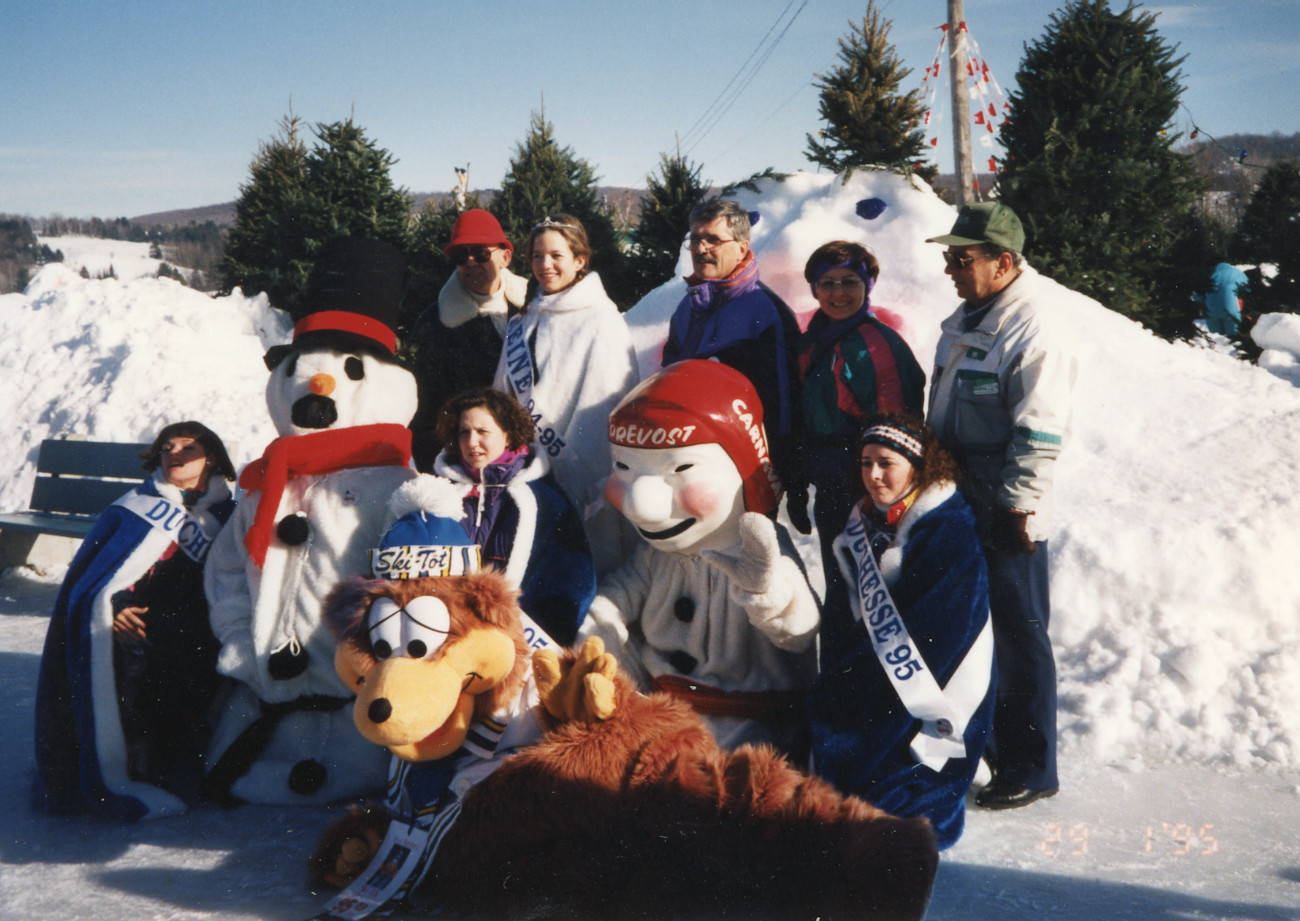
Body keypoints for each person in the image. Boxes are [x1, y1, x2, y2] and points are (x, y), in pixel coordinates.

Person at [925, 201, 1077, 810]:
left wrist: (1016, 510)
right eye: (948, 258)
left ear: (1003, 262)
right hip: (961, 493)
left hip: (1007, 501)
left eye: (961, 259)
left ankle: (1032, 767)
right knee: (971, 630)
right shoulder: (965, 318)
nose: (949, 270)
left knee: (1018, 635)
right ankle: (985, 753)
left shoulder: (1035, 328)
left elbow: (1040, 431)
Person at [34, 421, 238, 820]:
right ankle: (135, 766)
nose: (174, 454)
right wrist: (118, 606)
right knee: (132, 666)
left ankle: (190, 761)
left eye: (186, 447)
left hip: (201, 622)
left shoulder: (228, 515)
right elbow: (103, 577)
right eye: (167, 447)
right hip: (145, 620)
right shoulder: (136, 508)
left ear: (210, 457)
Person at [809, 415, 994, 849]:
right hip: (891, 661)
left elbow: (944, 627)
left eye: (886, 463)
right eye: (866, 462)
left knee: (885, 790)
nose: (873, 475)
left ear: (917, 466)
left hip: (940, 673)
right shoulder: (871, 518)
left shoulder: (948, 529)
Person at [493, 213, 639, 575]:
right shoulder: (522, 321)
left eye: (557, 256)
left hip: (579, 474)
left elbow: (607, 403)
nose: (546, 265)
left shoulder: (602, 320)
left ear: (580, 260)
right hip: (524, 470)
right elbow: (501, 394)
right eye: (538, 256)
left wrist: (570, 467)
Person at [660, 198, 809, 533]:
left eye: (713, 239)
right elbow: (668, 380)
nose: (700, 248)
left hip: (745, 473)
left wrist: (790, 479)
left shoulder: (765, 312)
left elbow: (785, 407)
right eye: (695, 239)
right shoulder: (689, 306)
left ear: (742, 248)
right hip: (688, 467)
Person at [797, 240, 925, 591]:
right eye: (828, 283)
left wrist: (881, 495)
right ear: (814, 289)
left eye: (850, 282)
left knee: (868, 591)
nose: (839, 293)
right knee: (840, 586)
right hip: (831, 484)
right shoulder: (812, 343)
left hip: (869, 488)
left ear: (867, 286)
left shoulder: (876, 344)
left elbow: (898, 428)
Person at [429, 387, 596, 645]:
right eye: (464, 432)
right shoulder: (439, 494)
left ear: (508, 435)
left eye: (482, 431)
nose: (472, 442)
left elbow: (571, 580)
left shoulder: (544, 500)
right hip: (446, 636)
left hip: (514, 643)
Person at [409, 209, 528, 471]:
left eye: (481, 253)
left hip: (532, 453)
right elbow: (427, 414)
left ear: (505, 256)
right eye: (461, 256)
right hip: (468, 462)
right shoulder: (434, 324)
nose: (471, 262)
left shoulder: (535, 308)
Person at [1195, 260, 1250, 336]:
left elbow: (1198, 294)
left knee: (1217, 340)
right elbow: (1247, 289)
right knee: (1234, 339)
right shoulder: (1237, 273)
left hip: (1210, 311)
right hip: (1231, 309)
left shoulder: (1207, 274)